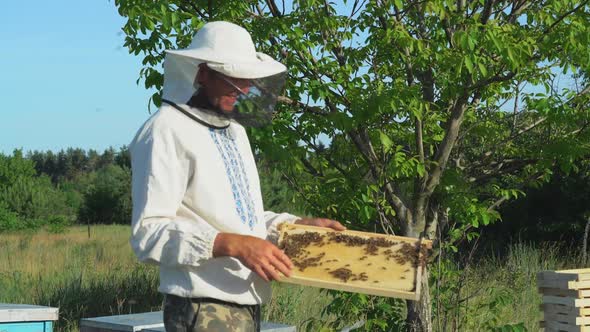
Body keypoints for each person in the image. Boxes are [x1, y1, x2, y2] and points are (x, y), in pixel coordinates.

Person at [129, 21, 345, 332]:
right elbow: (148, 233)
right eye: (233, 78)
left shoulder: (235, 132)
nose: (243, 89)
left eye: (247, 80)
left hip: (247, 302)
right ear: (202, 73)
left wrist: (293, 227)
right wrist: (233, 245)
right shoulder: (166, 130)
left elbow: (242, 219)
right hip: (201, 306)